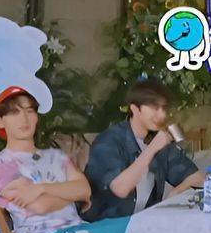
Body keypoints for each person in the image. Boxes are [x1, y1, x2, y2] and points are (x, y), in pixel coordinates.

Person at [0, 87, 129, 233]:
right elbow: (40, 206)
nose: (24, 118)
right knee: (137, 226)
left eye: (29, 111)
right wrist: (71, 194)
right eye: (14, 112)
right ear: (0, 121)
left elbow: (85, 190)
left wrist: (41, 188)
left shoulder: (57, 156)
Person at [84, 80, 204, 219]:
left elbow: (198, 178)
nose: (162, 115)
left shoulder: (158, 141)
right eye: (154, 108)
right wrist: (152, 149)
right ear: (135, 109)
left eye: (164, 108)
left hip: (143, 223)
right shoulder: (109, 141)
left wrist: (174, 194)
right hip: (105, 225)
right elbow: (120, 189)